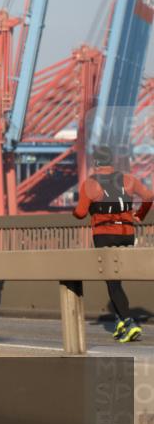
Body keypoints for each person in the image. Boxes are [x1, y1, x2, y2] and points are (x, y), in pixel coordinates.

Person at [73, 146, 153, 343]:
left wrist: (79, 211)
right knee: (118, 280)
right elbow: (149, 197)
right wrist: (140, 214)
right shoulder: (129, 179)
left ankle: (129, 321)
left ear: (95, 163)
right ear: (112, 161)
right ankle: (119, 320)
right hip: (127, 234)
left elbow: (81, 213)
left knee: (112, 282)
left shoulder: (90, 184)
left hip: (104, 235)